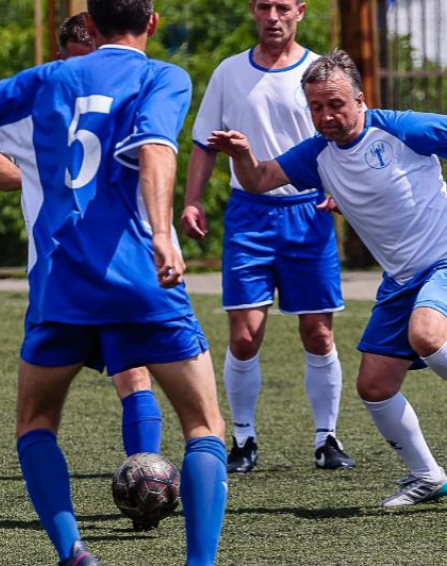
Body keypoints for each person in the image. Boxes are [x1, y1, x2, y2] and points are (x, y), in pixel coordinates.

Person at [207, 49, 447, 508]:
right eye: (315, 107)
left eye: (336, 104)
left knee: (427, 333)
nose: (326, 116)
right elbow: (259, 180)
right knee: (374, 386)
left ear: (360, 100)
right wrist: (243, 154)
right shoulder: (317, 155)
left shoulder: (398, 128)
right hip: (401, 277)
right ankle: (427, 476)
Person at [0, 1, 227, 564]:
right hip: (140, 277)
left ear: (91, 27)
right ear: (151, 23)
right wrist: (162, 237)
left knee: (36, 423)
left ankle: (73, 551)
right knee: (203, 426)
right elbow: (153, 147)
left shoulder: (52, 75)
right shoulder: (163, 75)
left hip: (62, 280)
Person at [181, 0, 354, 473]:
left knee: (318, 333)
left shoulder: (321, 71)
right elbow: (203, 143)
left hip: (308, 212)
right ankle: (242, 439)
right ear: (253, 12)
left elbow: (347, 136)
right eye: (263, 6)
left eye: (282, 6)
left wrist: (343, 192)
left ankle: (327, 439)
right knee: (244, 335)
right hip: (249, 216)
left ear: (300, 10)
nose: (272, 16)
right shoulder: (229, 72)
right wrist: (192, 200)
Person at [0, 12, 163, 461]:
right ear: (61, 55)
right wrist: (51, 173)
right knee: (39, 404)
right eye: (77, 59)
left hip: (113, 258)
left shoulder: (127, 94)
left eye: (93, 58)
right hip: (55, 264)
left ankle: (145, 480)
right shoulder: (41, 96)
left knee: (134, 374)